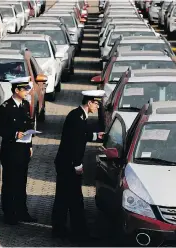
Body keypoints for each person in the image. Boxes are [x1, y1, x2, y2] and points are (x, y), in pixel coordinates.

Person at [52, 90, 105, 243]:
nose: (97, 107)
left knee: (63, 197)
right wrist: (77, 165)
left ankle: (60, 229)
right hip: (69, 164)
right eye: (96, 104)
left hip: (65, 163)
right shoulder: (78, 118)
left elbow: (81, 135)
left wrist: (96, 136)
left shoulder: (78, 115)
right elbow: (74, 145)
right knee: (75, 199)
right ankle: (79, 234)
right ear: (89, 103)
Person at [0, 76, 37, 225]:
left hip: (23, 150)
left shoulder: (25, 105)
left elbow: (28, 126)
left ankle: (22, 211)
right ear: (16, 90)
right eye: (25, 89)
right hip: (11, 151)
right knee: (10, 183)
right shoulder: (5, 107)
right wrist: (13, 134)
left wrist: (30, 145)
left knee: (21, 182)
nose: (27, 92)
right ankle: (9, 213)